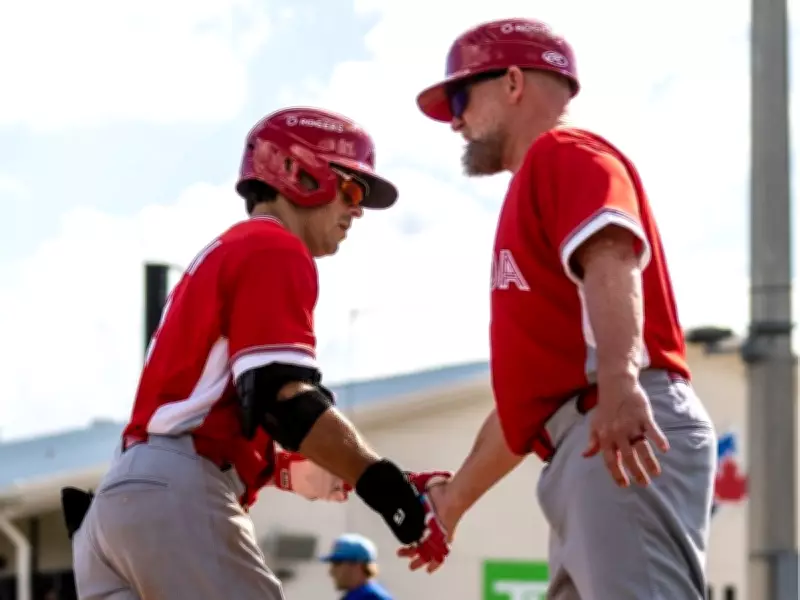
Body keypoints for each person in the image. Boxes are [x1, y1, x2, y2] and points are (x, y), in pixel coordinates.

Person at [64, 106, 450, 600]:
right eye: (352, 190)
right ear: (298, 171)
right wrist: (391, 491)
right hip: (176, 491)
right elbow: (285, 400)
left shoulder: (231, 249)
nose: (357, 210)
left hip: (119, 507)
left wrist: (329, 470)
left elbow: (234, 411)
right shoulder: (275, 247)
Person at [400, 18, 718, 599]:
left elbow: (612, 258)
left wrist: (621, 384)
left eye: (462, 96)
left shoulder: (565, 152)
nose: (455, 121)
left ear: (514, 82)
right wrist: (454, 500)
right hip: (585, 434)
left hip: (615, 428)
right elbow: (531, 400)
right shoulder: (538, 179)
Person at [321, 534, 393, 600]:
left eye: (337, 564)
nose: (331, 571)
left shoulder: (371, 597)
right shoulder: (357, 595)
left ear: (357, 566)